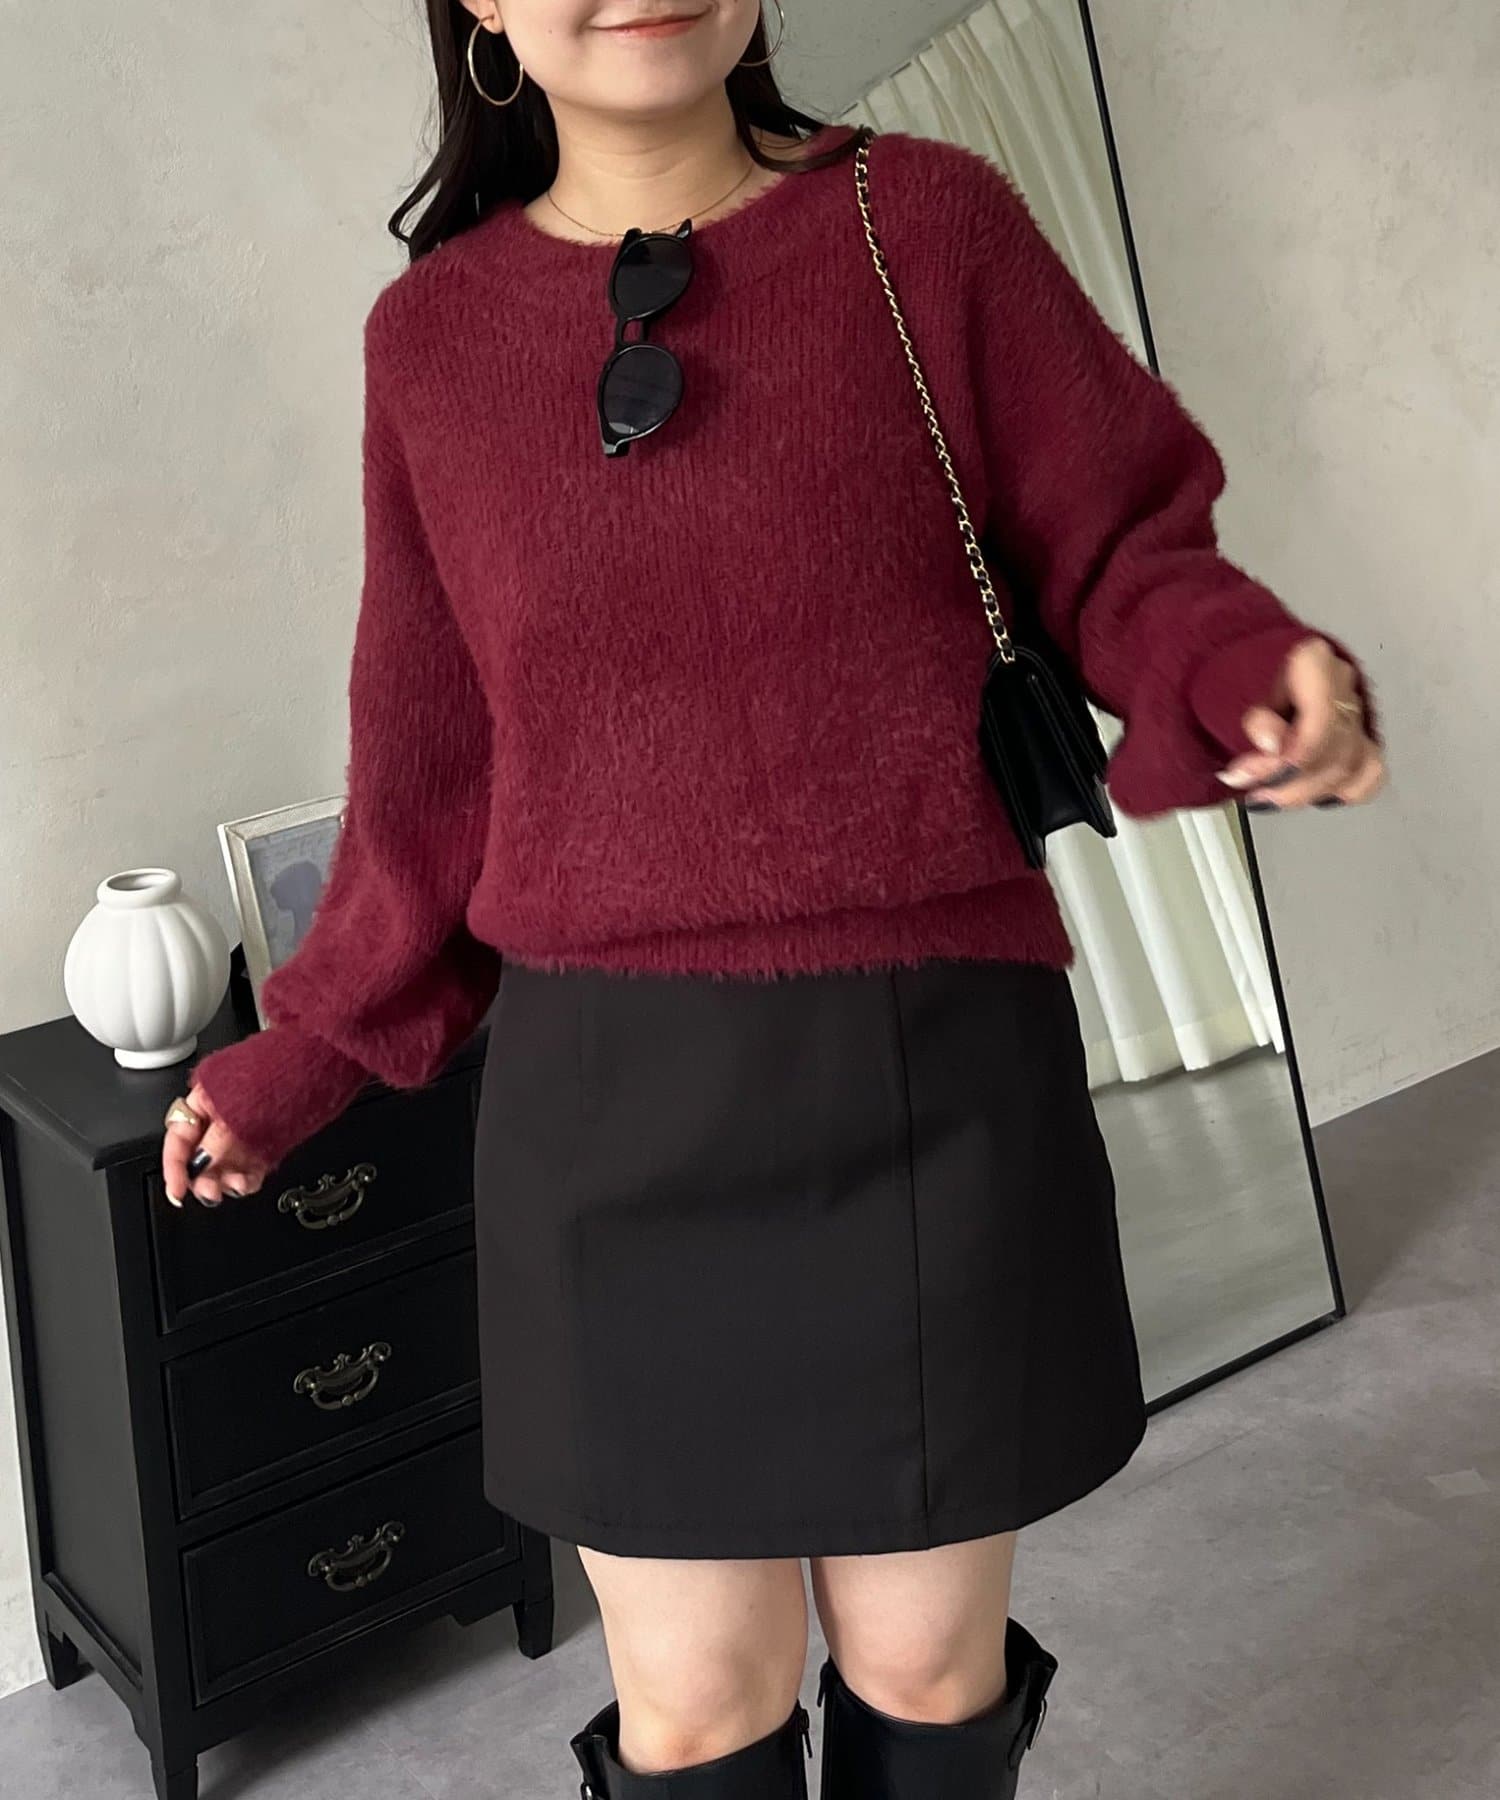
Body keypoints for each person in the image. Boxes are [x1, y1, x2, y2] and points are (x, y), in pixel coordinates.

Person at [159, 4, 1385, 1796]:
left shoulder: (930, 225)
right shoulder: (430, 343)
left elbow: (1122, 547)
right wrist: (310, 1049)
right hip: (606, 1120)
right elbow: (429, 759)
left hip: (930, 1071)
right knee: (694, 1709)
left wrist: (1235, 667)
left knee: (927, 1669)